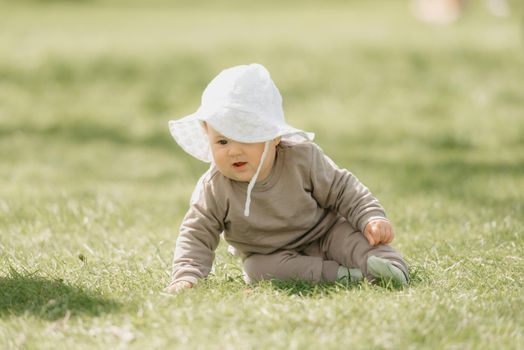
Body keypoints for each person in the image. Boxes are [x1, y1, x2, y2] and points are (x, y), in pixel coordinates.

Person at [164, 63, 409, 293]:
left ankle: (389, 267)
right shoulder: (215, 187)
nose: (233, 150)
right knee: (258, 270)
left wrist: (371, 216)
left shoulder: (301, 159)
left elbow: (343, 188)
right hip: (271, 254)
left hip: (324, 233)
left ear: (274, 136)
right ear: (207, 134)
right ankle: (344, 276)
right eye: (222, 141)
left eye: (246, 137)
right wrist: (187, 275)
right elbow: (196, 232)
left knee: (355, 241)